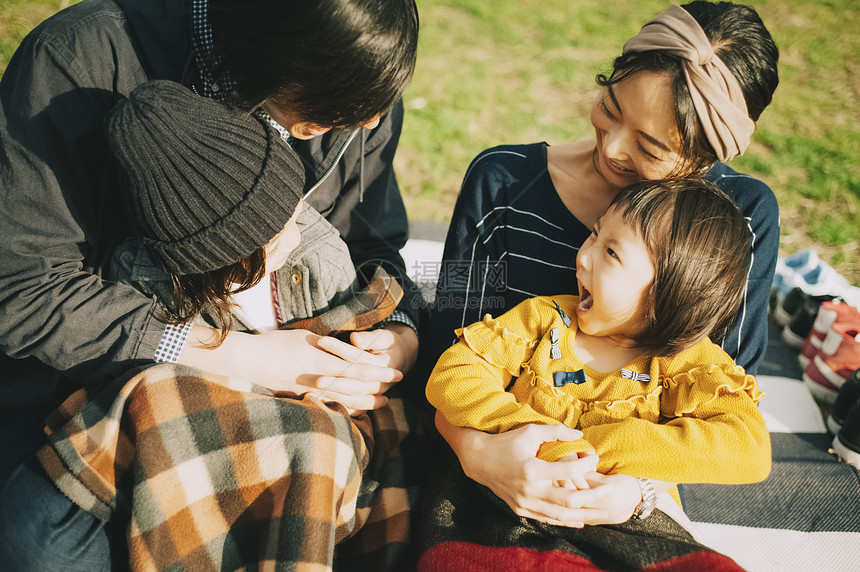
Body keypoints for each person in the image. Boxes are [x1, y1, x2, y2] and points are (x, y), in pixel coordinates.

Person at [0, 0, 420, 569]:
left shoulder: (355, 90)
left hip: (301, 393)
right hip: (87, 384)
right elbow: (24, 290)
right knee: (40, 546)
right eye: (335, 112)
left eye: (375, 106)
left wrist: (397, 330)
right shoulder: (78, 60)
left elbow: (372, 244)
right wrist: (227, 355)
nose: (368, 123)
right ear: (270, 56)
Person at [420, 0, 780, 538]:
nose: (611, 148)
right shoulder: (499, 182)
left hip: (630, 496)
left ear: (704, 160)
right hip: (488, 464)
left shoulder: (739, 224)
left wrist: (638, 492)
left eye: (651, 147)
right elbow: (445, 350)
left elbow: (716, 415)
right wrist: (480, 455)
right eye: (610, 108)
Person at [421, 178, 770, 570]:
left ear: (670, 293)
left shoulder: (686, 362)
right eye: (594, 233)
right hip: (501, 502)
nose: (584, 256)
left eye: (611, 253)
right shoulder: (544, 319)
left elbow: (748, 447)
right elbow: (456, 372)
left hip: (623, 518)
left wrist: (609, 454)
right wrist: (532, 434)